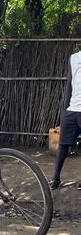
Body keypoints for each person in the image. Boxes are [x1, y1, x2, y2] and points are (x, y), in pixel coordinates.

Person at [49, 49, 81, 190]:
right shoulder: (73, 58)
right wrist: (64, 110)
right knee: (63, 145)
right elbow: (69, 84)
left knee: (64, 145)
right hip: (72, 109)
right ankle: (55, 178)